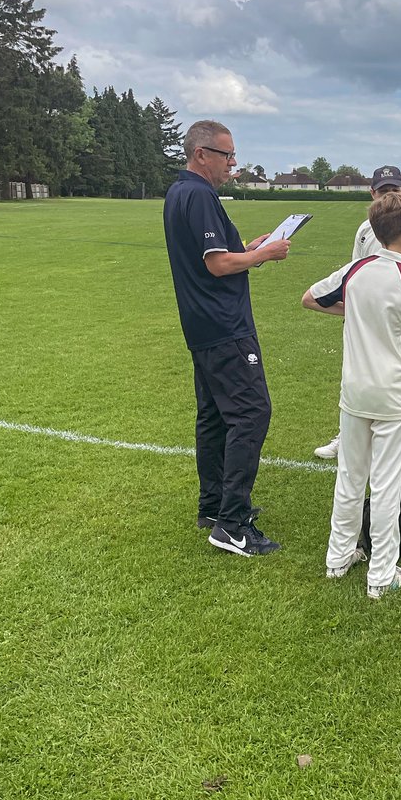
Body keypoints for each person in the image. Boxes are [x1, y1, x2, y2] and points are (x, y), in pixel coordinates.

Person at [302, 193, 401, 599]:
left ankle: (338, 558)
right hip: (394, 398)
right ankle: (382, 574)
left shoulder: (357, 269)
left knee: (350, 478)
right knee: (387, 485)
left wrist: (357, 311)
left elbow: (309, 298)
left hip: (355, 394)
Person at [163, 120, 290, 557]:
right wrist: (265, 253)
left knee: (216, 415)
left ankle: (213, 508)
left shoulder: (181, 193)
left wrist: (252, 249)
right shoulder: (197, 194)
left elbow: (216, 257)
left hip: (202, 325)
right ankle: (232, 524)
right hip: (223, 326)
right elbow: (217, 265)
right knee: (252, 412)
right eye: (226, 155)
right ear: (201, 154)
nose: (233, 164)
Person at [313, 165, 401, 459]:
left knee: (395, 378)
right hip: (366, 322)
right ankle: (347, 436)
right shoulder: (364, 230)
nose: (388, 196)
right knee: (359, 378)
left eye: (394, 191)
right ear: (372, 194)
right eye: (383, 191)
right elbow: (353, 276)